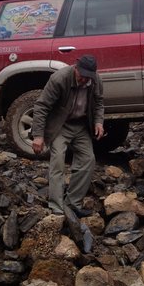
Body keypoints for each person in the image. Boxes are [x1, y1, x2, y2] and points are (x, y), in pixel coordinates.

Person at [31, 55, 105, 216]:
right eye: (82, 75)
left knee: (88, 159)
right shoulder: (59, 79)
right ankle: (56, 208)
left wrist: (99, 122)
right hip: (60, 125)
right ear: (75, 68)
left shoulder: (95, 80)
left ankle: (73, 204)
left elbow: (99, 102)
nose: (84, 80)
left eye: (88, 77)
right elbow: (41, 106)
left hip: (81, 125)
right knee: (57, 161)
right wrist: (38, 135)